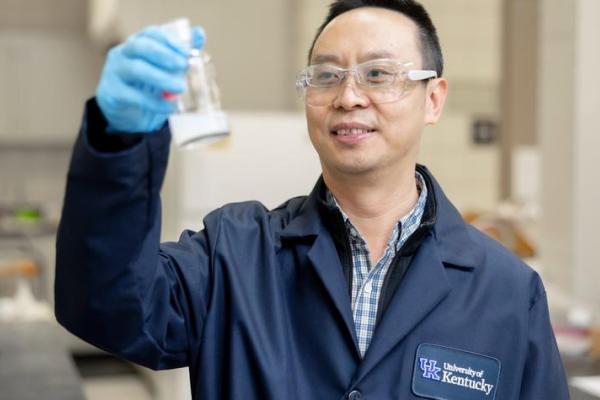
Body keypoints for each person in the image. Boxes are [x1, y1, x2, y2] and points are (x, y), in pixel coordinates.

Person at [55, 0, 570, 399]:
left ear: (432, 99)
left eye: (378, 74)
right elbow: (107, 307)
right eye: (326, 75)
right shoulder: (233, 253)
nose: (348, 96)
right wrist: (118, 142)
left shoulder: (507, 291)